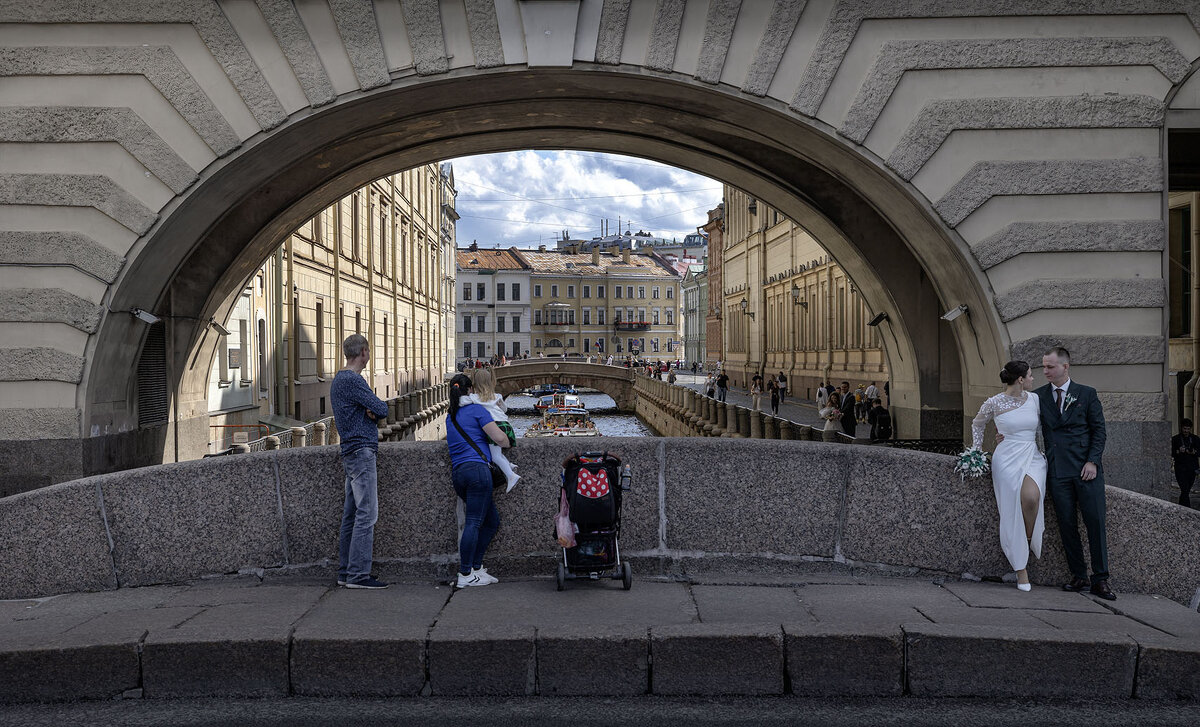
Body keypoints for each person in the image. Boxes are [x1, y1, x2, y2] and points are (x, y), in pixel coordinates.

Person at [1037, 347, 1114, 600]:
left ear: (1065, 367)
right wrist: (1006, 434)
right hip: (1058, 470)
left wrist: (1092, 461)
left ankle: (1100, 579)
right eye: (1044, 367)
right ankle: (1079, 575)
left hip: (1086, 470)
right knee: (1067, 524)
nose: (1045, 371)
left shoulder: (1086, 394)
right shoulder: (1038, 397)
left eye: (1050, 367)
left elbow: (1099, 431)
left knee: (1095, 523)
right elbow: (1025, 423)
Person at [971, 361, 1046, 591]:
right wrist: (975, 451)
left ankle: (1022, 542)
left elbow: (1041, 429)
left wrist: (1043, 450)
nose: (1034, 380)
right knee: (1012, 507)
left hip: (1032, 455)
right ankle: (1020, 569)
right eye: (1031, 376)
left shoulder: (1034, 400)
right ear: (1021, 379)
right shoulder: (994, 402)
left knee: (1032, 497)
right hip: (1006, 458)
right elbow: (977, 424)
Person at [331, 334, 390, 590]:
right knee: (367, 514)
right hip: (361, 451)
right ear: (364, 352)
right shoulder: (353, 380)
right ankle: (358, 575)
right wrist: (372, 411)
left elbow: (373, 409)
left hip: (350, 451)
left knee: (352, 514)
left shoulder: (339, 380)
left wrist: (370, 411)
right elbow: (382, 408)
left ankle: (346, 572)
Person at [446, 373, 512, 588]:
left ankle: (475, 568)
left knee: (491, 521)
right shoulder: (477, 411)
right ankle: (465, 574)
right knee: (474, 523)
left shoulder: (450, 416)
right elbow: (500, 439)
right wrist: (508, 442)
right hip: (478, 472)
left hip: (459, 475)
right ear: (470, 390)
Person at [466, 368, 519, 492]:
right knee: (497, 452)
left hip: (494, 426)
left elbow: (462, 402)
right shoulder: (497, 396)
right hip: (506, 426)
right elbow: (505, 410)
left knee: (495, 456)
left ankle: (511, 476)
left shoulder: (474, 397)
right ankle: (509, 465)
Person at [1171, 419, 1198, 508]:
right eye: (1184, 428)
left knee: (1186, 490)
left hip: (1192, 468)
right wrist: (1178, 451)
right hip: (1180, 468)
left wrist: (1194, 452)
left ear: (1190, 429)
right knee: (1184, 489)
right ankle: (1188, 509)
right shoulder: (1175, 439)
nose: (1186, 431)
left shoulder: (1195, 439)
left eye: (1188, 429)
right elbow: (1171, 452)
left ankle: (1181, 509)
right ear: (1181, 428)